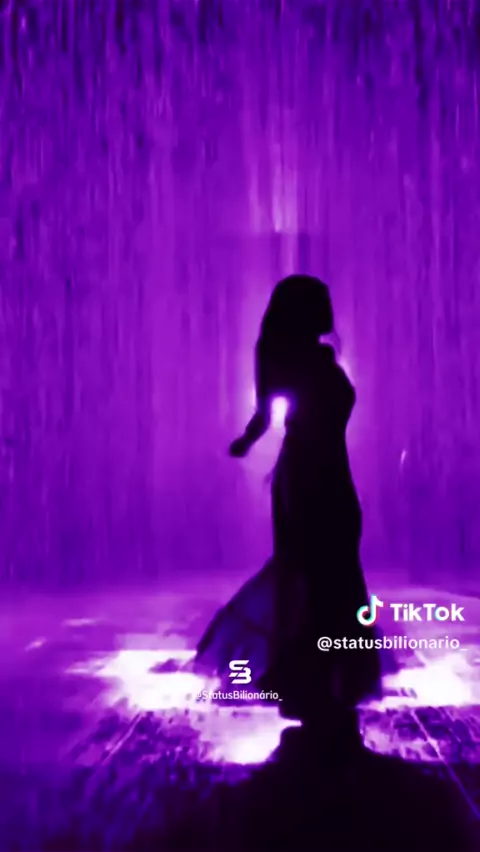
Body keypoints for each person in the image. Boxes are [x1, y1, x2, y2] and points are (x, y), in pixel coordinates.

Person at [197, 275, 381, 753]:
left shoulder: (319, 355)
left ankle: (322, 682)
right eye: (321, 302)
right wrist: (243, 443)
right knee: (315, 575)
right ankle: (317, 683)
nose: (329, 310)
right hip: (305, 476)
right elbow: (264, 415)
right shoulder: (281, 354)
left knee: (332, 573)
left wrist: (247, 442)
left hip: (333, 474)